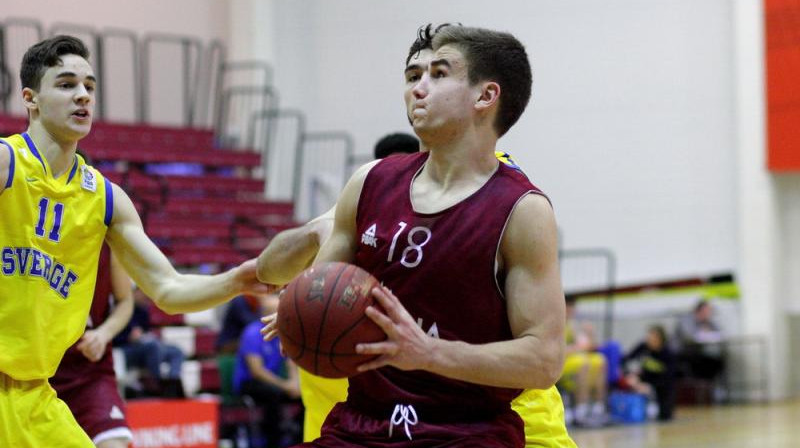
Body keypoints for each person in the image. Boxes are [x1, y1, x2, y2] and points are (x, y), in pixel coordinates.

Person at [257, 25, 575, 448]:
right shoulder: (368, 182)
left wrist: (428, 353)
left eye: (439, 75)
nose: (417, 89)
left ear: (486, 96)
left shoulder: (523, 211)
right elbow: (309, 284)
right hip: (361, 426)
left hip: (463, 432)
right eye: (412, 78)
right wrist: (304, 314)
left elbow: (544, 360)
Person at [0, 35, 267, 447]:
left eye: (89, 86)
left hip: (34, 395)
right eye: (67, 84)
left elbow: (168, 289)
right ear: (30, 99)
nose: (82, 96)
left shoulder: (105, 198)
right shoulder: (7, 163)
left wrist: (236, 280)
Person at [256, 131, 420, 443]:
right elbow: (267, 268)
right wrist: (299, 301)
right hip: (332, 390)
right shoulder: (349, 212)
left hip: (392, 386)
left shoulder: (428, 227)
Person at [50, 243, 134, 448]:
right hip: (36, 374)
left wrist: (104, 333)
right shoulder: (30, 229)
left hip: (89, 372)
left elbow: (125, 301)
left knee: (114, 443)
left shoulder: (107, 235)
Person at [235, 294, 303, 448]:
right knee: (274, 395)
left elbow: (290, 361)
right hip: (250, 383)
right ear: (265, 314)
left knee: (304, 394)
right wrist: (285, 386)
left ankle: (299, 439)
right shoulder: (252, 333)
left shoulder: (283, 333)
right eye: (275, 312)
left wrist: (294, 383)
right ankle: (273, 441)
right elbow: (256, 371)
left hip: (274, 382)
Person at [113, 287, 186, 397]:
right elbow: (112, 337)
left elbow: (146, 332)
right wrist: (128, 337)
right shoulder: (117, 308)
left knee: (176, 351)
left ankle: (172, 383)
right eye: (142, 292)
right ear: (133, 292)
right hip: (125, 350)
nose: (145, 295)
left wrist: (144, 337)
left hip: (145, 348)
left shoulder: (143, 310)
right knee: (153, 347)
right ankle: (156, 384)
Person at [560, 295, 608, 426]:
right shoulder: (557, 323)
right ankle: (580, 411)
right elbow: (558, 350)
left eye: (572, 308)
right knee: (583, 363)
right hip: (559, 362)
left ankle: (598, 408)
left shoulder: (573, 324)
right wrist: (577, 348)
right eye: (568, 308)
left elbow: (586, 345)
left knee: (600, 360)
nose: (570, 311)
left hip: (573, 358)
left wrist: (590, 335)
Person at [622, 324, 677, 421]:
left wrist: (651, 387)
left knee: (665, 415)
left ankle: (655, 407)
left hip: (660, 385)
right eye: (649, 336)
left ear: (661, 339)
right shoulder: (643, 347)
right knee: (630, 382)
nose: (650, 339)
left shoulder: (668, 353)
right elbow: (626, 360)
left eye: (653, 337)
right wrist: (631, 375)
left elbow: (669, 377)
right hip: (642, 379)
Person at [675, 299, 725, 382]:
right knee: (701, 364)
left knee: (717, 362)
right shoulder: (687, 319)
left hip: (698, 354)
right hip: (682, 353)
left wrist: (707, 333)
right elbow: (690, 337)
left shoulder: (708, 322)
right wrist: (704, 333)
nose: (709, 313)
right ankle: (701, 388)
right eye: (707, 311)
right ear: (700, 310)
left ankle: (707, 388)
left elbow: (718, 334)